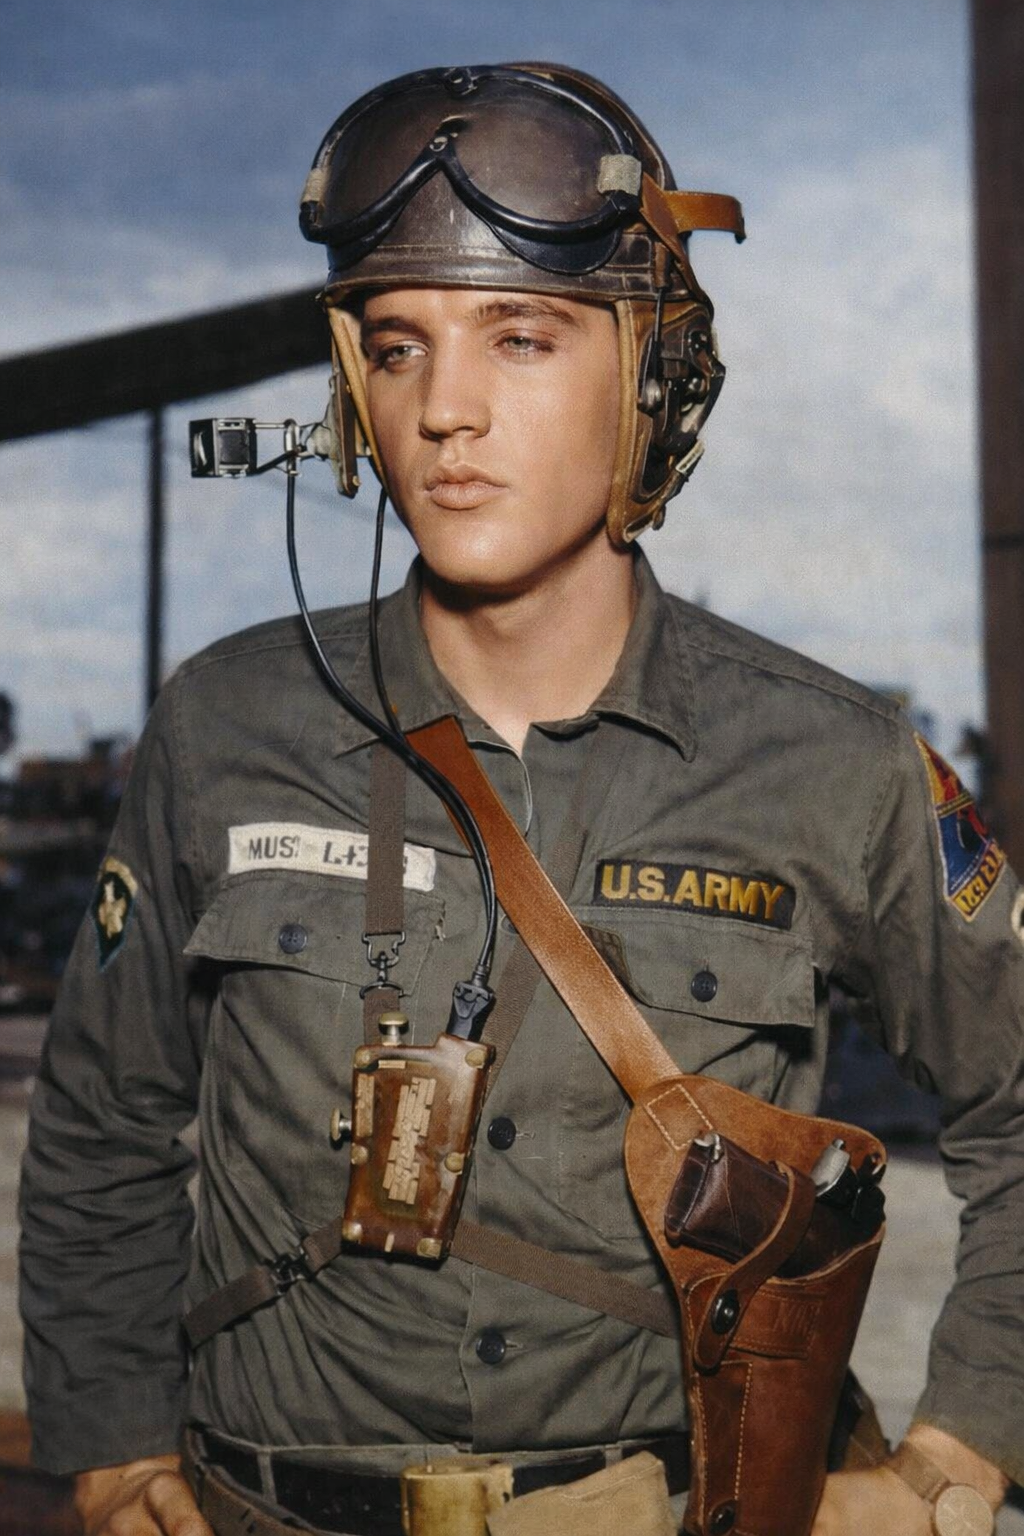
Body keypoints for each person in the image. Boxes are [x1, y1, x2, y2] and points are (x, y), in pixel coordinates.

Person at [18, 63, 1022, 1536]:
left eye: (524, 338)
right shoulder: (224, 727)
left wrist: (961, 1450)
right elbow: (103, 1126)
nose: (447, 411)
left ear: (650, 379)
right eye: (399, 347)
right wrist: (107, 1438)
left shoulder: (830, 761)